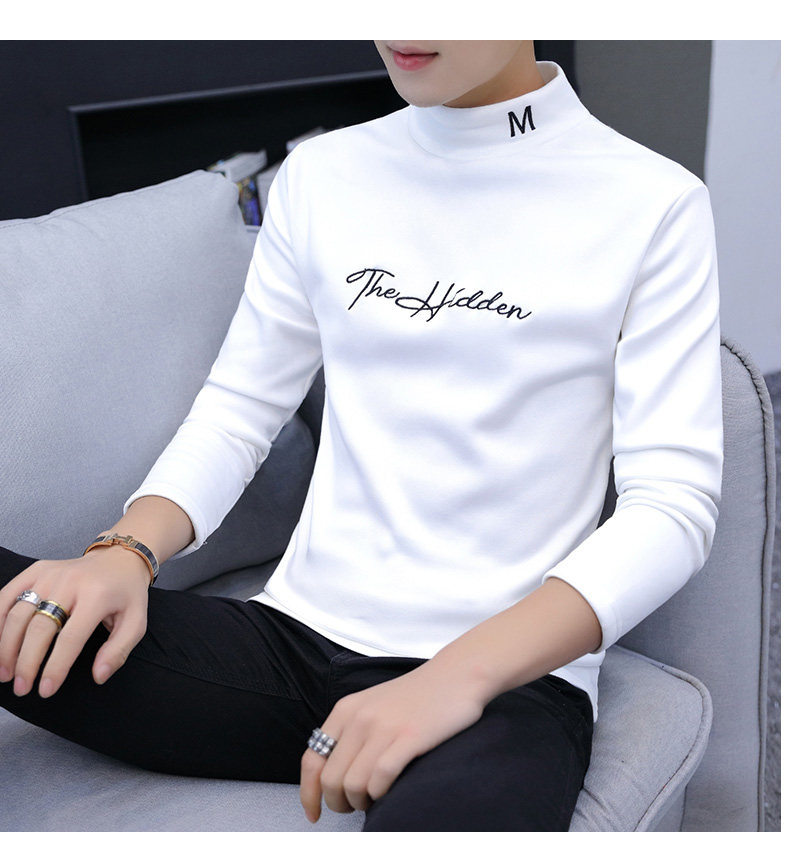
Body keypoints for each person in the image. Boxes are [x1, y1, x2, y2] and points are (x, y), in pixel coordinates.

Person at [0, 40, 723, 832]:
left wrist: (453, 677)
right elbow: (238, 409)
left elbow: (672, 506)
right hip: (284, 649)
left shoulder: (652, 201)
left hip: (504, 687)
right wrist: (125, 550)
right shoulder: (323, 174)